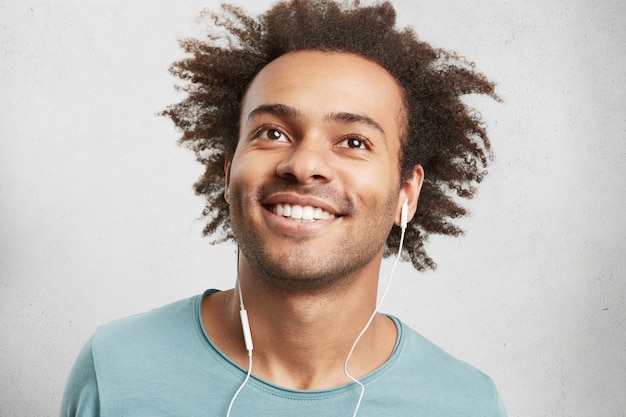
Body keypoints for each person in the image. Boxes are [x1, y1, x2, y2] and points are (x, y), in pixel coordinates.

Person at [61, 1, 506, 416]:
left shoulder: (466, 403)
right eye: (273, 133)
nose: (304, 165)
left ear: (406, 193)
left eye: (353, 141)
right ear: (229, 171)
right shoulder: (115, 367)